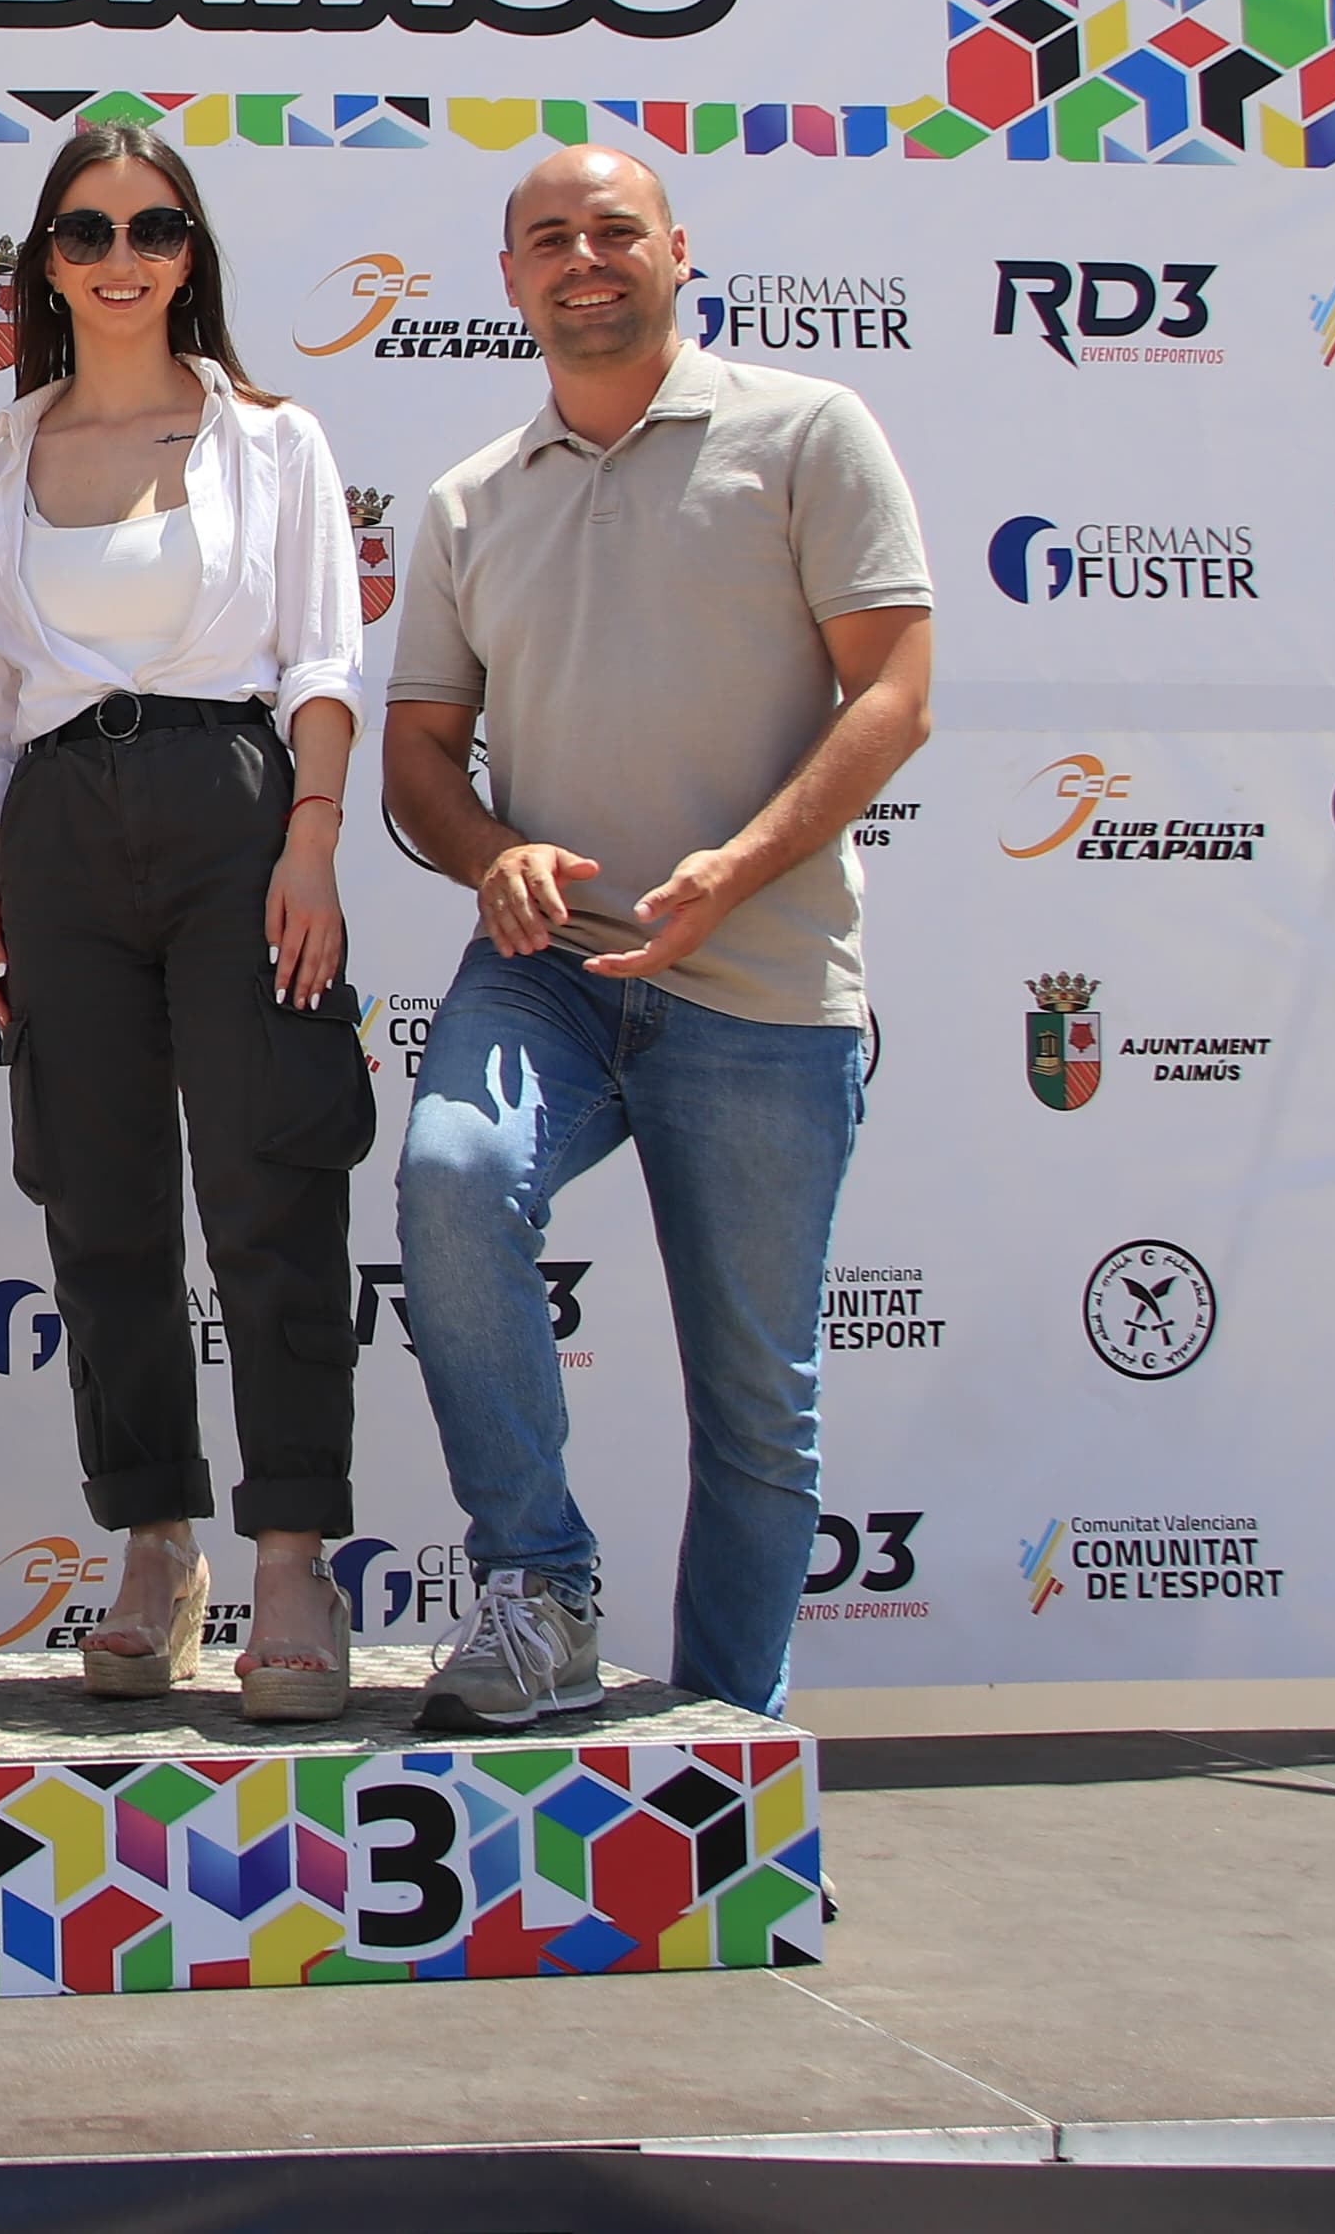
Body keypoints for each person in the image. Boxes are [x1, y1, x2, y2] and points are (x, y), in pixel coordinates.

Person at [383, 145, 932, 1730]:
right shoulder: (471, 500)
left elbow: (894, 689)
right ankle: (539, 1587)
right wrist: (490, 851)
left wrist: (741, 866)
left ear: (677, 250)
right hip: (548, 972)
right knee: (450, 1174)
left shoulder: (809, 431)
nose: (583, 258)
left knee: (757, 1408)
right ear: (511, 279)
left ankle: (729, 1749)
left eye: (613, 229)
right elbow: (421, 748)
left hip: (761, 981)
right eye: (547, 237)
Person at [0, 128, 370, 1714]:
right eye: (86, 228)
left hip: (237, 811)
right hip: (56, 832)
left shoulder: (277, 439)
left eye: (155, 226)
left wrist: (311, 840)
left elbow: (326, 659)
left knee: (269, 1188)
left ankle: (291, 1562)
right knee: (99, 1202)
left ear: (191, 251)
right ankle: (153, 1548)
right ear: (42, 258)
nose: (122, 255)